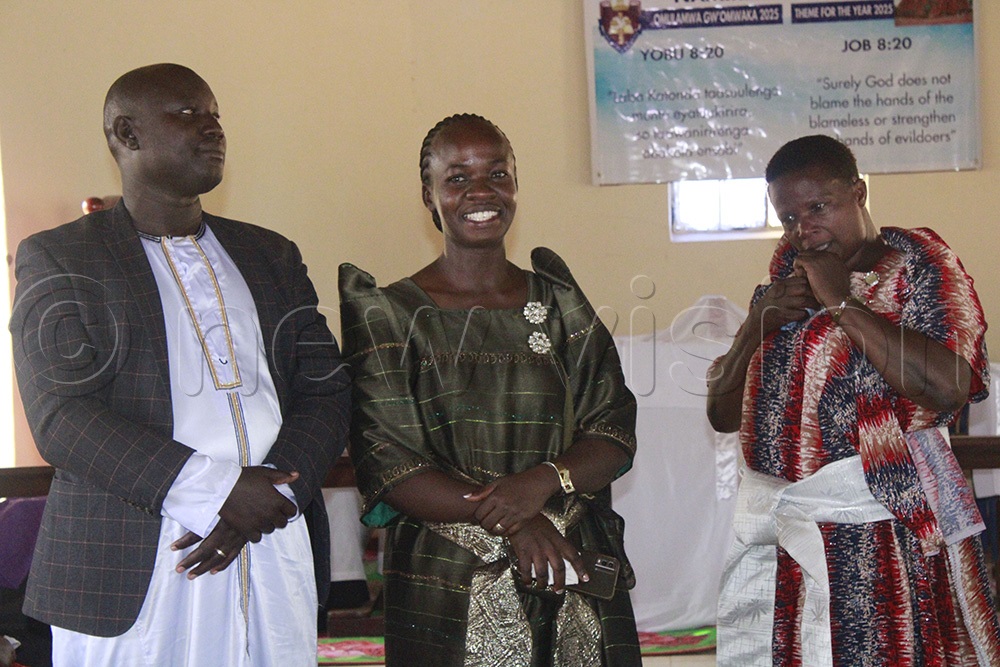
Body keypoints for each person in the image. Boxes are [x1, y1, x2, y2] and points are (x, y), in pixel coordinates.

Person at [9, 63, 350, 666]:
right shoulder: (59, 255)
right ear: (127, 134)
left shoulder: (269, 253)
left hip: (269, 542)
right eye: (188, 113)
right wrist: (217, 491)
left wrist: (273, 495)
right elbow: (60, 416)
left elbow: (326, 389)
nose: (213, 127)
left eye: (216, 114)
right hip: (137, 557)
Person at [338, 113, 641, 666]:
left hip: (572, 560)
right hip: (446, 580)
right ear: (428, 195)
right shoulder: (388, 314)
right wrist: (518, 518)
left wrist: (543, 482)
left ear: (516, 183)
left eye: (496, 174)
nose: (480, 192)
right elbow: (389, 461)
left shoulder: (558, 302)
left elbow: (613, 426)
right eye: (456, 178)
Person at [707, 134, 1000, 665]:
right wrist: (756, 324)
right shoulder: (781, 289)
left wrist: (842, 300)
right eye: (789, 217)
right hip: (796, 534)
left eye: (819, 207)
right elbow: (721, 415)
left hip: (898, 530)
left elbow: (952, 385)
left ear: (859, 193)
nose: (804, 228)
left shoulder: (916, 262)